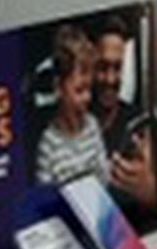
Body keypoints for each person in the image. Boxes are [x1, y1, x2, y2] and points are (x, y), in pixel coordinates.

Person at [90, 12, 157, 220]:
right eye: (101, 67)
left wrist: (149, 193)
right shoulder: (72, 125)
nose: (110, 79)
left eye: (117, 68)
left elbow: (153, 209)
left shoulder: (137, 125)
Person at [34, 22, 108, 185]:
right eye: (79, 90)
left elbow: (104, 177)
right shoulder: (48, 145)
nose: (87, 97)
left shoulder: (93, 126)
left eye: (89, 89)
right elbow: (45, 194)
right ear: (58, 87)